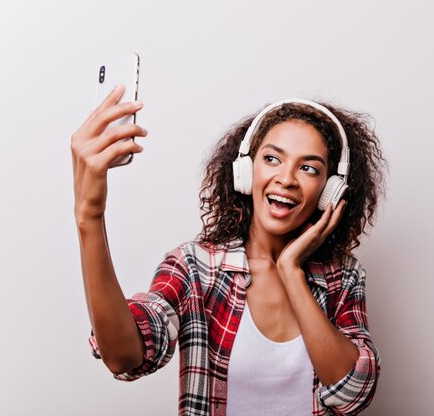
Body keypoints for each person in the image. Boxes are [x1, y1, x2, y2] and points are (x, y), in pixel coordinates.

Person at [71, 84, 386, 416]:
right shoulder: (196, 268)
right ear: (246, 172)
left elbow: (352, 393)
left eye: (309, 168)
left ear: (329, 192)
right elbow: (124, 356)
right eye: (272, 159)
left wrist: (291, 271)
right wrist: (89, 217)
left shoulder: (344, 277)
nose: (286, 178)